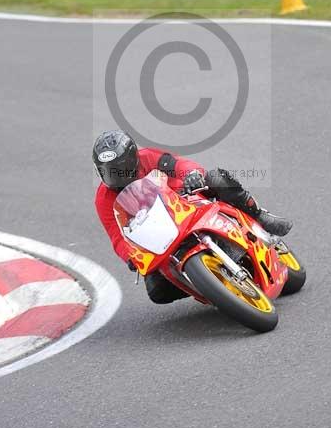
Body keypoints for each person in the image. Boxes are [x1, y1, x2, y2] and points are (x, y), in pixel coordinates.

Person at [93, 129, 292, 305]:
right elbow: (117, 237)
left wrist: (192, 175)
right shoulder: (103, 199)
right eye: (109, 172)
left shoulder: (149, 157)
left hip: (186, 201)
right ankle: (209, 287)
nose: (117, 175)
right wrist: (130, 256)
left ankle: (260, 215)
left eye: (120, 167)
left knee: (216, 178)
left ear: (133, 159)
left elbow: (180, 165)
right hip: (158, 235)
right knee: (157, 291)